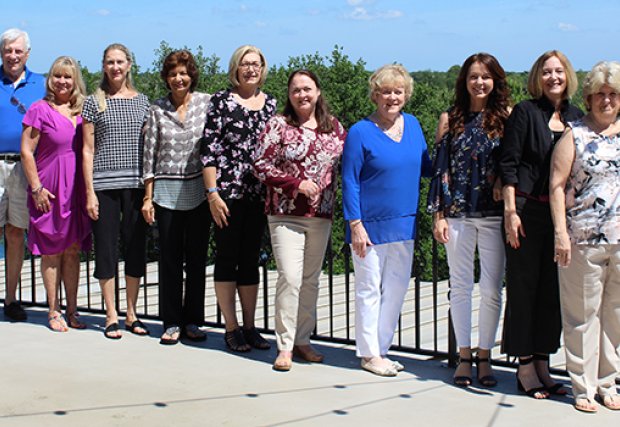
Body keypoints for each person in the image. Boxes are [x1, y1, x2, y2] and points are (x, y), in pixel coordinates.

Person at [499, 50, 583, 398]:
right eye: (546, 71)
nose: (553, 77)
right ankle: (524, 367)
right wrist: (510, 212)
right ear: (538, 76)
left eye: (558, 71)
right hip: (527, 213)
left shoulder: (578, 117)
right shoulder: (525, 112)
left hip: (562, 218)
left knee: (552, 291)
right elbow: (509, 163)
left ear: (568, 75)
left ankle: (544, 364)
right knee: (523, 289)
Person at [342, 64, 431, 377]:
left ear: (406, 95)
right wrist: (355, 224)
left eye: (398, 91)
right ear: (375, 95)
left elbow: (427, 167)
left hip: (404, 223)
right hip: (368, 226)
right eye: (385, 91)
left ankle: (381, 349)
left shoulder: (415, 125)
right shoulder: (360, 132)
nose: (392, 97)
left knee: (396, 288)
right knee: (369, 288)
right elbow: (350, 180)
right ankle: (368, 353)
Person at [254, 69, 346, 371]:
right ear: (289, 95)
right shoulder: (278, 125)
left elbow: (349, 161)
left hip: (321, 214)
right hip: (285, 214)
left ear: (318, 91)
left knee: (310, 281)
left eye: (307, 89)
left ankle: (302, 340)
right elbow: (259, 164)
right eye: (296, 90)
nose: (302, 95)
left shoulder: (333, 127)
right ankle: (284, 345)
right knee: (290, 279)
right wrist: (295, 184)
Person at [428, 53, 510, 387]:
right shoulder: (451, 118)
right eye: (473, 76)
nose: (479, 82)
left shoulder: (506, 116)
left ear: (495, 81)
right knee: (460, 288)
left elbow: (512, 164)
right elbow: (440, 169)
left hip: (493, 216)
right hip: (458, 215)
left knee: (491, 289)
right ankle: (464, 355)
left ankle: (485, 355)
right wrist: (438, 214)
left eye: (486, 77)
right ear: (464, 80)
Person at [550, 61, 620, 413]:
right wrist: (560, 233)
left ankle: (608, 383)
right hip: (583, 239)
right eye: (599, 95)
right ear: (589, 98)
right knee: (581, 316)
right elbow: (556, 186)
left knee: (616, 316)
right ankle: (582, 385)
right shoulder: (574, 134)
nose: (606, 101)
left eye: (613, 95)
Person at [201, 45, 277, 352]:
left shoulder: (270, 104)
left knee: (250, 260)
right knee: (227, 257)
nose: (251, 69)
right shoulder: (221, 101)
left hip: (259, 194)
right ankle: (230, 327)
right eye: (245, 64)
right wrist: (212, 193)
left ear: (262, 68)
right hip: (227, 193)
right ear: (236, 67)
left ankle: (249, 325)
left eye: (256, 64)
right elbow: (208, 150)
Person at [142, 50, 211, 345]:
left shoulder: (206, 104)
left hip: (199, 192)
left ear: (191, 75)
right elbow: (149, 154)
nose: (178, 79)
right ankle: (171, 321)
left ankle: (193, 321)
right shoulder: (157, 109)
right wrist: (147, 197)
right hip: (166, 193)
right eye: (172, 74)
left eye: (183, 73)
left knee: (196, 259)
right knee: (169, 260)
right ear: (166, 78)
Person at [82, 44, 150, 339]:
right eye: (110, 62)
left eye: (120, 61)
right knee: (106, 250)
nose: (115, 67)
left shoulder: (143, 102)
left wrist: (149, 192)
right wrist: (89, 192)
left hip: (135, 186)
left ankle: (132, 313)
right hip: (104, 187)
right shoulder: (93, 102)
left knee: (135, 249)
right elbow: (87, 150)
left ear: (129, 65)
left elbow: (150, 150)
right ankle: (111, 313)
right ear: (103, 65)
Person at [20, 56, 91, 331]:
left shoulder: (83, 110)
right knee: (51, 251)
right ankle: (53, 309)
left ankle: (72, 310)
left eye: (68, 76)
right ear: (51, 79)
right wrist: (36, 188)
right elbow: (27, 151)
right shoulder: (40, 109)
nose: (62, 81)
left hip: (76, 190)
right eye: (58, 76)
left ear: (76, 81)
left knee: (72, 250)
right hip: (48, 188)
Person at [0, 28, 45, 321]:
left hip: (24, 167)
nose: (13, 56)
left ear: (27, 54)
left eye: (18, 51)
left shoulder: (41, 84)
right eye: (8, 50)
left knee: (16, 233)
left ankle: (12, 299)